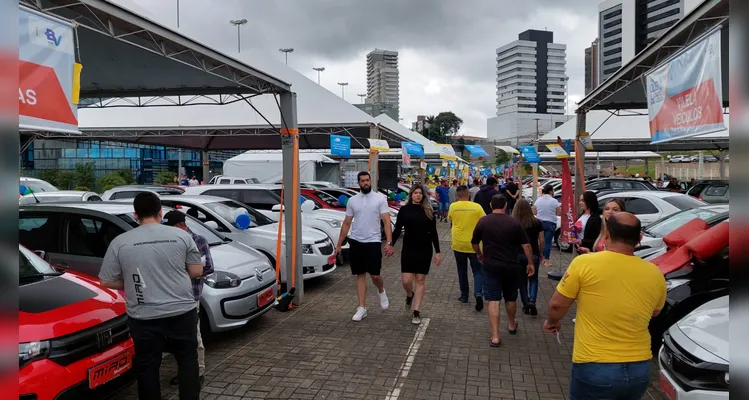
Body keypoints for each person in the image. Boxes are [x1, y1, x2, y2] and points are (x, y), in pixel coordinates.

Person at [544, 212, 666, 400]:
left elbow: (556, 306)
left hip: (595, 365)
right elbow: (655, 312)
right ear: (639, 238)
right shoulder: (655, 273)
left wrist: (552, 322)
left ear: (606, 233)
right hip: (639, 367)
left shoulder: (584, 263)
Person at [98, 192, 203, 400]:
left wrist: (134, 280)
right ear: (160, 212)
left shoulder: (120, 242)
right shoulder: (182, 236)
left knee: (147, 367)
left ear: (135, 215)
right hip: (182, 312)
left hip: (143, 316)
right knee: (187, 361)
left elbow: (106, 281)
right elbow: (197, 271)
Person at [471, 195, 535, 347]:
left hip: (490, 265)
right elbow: (527, 246)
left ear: (491, 205)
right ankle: (512, 324)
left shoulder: (484, 221)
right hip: (511, 266)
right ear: (506, 206)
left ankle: (495, 336)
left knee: (493, 300)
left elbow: (474, 242)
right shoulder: (514, 223)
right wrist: (530, 263)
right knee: (511, 298)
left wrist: (479, 254)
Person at [162, 210, 214, 387]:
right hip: (171, 296)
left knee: (194, 335)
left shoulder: (198, 240)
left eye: (170, 228)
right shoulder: (169, 241)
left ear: (181, 226)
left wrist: (181, 274)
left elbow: (207, 268)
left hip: (191, 296)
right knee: (178, 337)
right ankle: (184, 371)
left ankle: (198, 372)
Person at [335, 171, 393, 321]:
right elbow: (347, 223)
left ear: (371, 181)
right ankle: (362, 307)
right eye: (362, 181)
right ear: (359, 183)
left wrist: (389, 242)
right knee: (360, 274)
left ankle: (381, 290)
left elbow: (386, 221)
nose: (365, 183)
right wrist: (339, 244)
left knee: (375, 275)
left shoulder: (380, 199)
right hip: (356, 241)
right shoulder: (353, 201)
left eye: (367, 180)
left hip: (373, 241)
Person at [391, 185, 441, 325]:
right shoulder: (404, 210)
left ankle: (416, 311)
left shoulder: (428, 211)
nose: (418, 195)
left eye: (420, 193)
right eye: (416, 193)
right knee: (406, 280)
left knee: (420, 280)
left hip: (424, 249)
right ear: (411, 195)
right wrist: (390, 244)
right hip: (408, 248)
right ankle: (409, 295)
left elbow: (434, 233)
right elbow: (397, 229)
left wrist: (437, 252)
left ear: (423, 196)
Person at [448, 185, 486, 310]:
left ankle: (464, 296)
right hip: (474, 245)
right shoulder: (477, 207)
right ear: (468, 194)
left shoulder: (453, 206)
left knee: (462, 270)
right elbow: (484, 222)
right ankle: (478, 293)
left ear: (457, 196)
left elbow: (450, 220)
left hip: (458, 243)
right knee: (477, 271)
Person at [512, 199, 544, 316]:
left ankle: (526, 304)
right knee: (534, 278)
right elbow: (542, 240)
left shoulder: (513, 223)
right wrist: (541, 253)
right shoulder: (537, 223)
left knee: (522, 281)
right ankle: (532, 301)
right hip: (533, 254)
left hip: (518, 255)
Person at [534, 184, 560, 267]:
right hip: (550, 223)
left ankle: (540, 257)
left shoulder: (538, 200)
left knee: (540, 241)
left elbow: (534, 211)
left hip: (539, 223)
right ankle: (546, 260)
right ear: (550, 191)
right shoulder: (554, 201)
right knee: (548, 242)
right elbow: (558, 213)